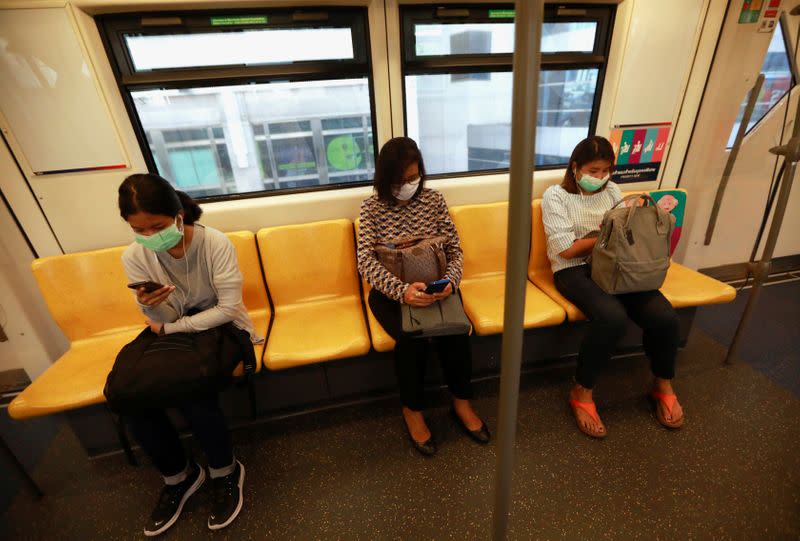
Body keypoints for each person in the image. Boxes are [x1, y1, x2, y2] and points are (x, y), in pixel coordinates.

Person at [118, 173, 261, 535]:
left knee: (191, 387)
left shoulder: (214, 243)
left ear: (179, 215)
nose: (150, 237)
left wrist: (169, 327)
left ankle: (224, 471)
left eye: (158, 226)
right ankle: (178, 475)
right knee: (128, 394)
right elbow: (159, 320)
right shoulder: (134, 257)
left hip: (222, 329)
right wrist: (151, 308)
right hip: (172, 328)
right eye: (140, 229)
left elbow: (228, 308)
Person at [541, 136, 684, 439]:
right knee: (611, 317)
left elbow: (626, 234)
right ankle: (582, 391)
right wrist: (609, 235)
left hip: (618, 267)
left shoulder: (613, 191)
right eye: (594, 171)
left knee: (664, 316)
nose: (601, 177)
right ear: (575, 166)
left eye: (606, 171)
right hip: (574, 269)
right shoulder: (556, 196)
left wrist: (615, 236)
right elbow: (566, 249)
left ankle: (662, 384)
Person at [357, 137, 490, 456]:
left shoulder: (433, 200)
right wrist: (403, 292)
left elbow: (455, 248)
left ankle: (461, 402)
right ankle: (412, 409)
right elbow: (365, 261)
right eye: (400, 180)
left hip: (437, 285)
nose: (408, 185)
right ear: (385, 178)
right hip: (391, 292)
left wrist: (451, 281)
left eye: (414, 178)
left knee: (457, 331)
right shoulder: (372, 208)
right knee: (411, 337)